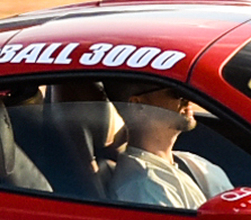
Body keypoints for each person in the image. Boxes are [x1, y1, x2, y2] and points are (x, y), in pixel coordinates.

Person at [100, 82, 234, 209]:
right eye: (176, 93)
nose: (188, 99)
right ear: (138, 105)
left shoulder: (190, 161)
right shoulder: (143, 187)